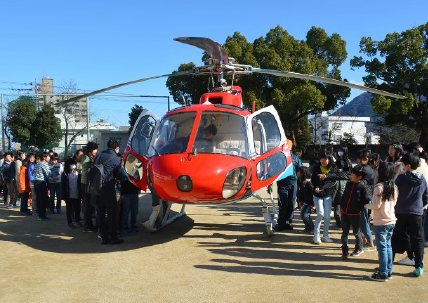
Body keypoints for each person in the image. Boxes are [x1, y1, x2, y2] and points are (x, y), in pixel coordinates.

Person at [392, 152, 427, 277]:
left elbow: (394, 193)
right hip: (417, 213)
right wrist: (418, 206)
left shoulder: (401, 178)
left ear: (407, 165)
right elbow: (426, 197)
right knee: (418, 240)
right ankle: (419, 266)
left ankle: (388, 265)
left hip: (400, 212)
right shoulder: (422, 179)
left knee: (395, 237)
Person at [365, 161, 398, 281]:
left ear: (381, 172)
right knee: (388, 247)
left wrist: (366, 206)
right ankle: (388, 271)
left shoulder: (379, 187)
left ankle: (383, 273)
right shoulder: (394, 186)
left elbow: (376, 205)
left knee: (382, 248)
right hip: (391, 221)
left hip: (381, 222)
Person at [95, 139, 124, 244]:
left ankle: (104, 238)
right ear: (117, 148)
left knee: (101, 214)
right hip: (109, 189)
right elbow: (120, 175)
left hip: (97, 189)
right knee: (112, 215)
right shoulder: (116, 159)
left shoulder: (98, 156)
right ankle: (113, 237)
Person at [340, 166, 370, 260]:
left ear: (359, 177)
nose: (351, 175)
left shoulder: (362, 187)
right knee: (344, 232)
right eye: (351, 173)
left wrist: (358, 208)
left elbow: (366, 200)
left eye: (353, 174)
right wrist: (342, 205)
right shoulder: (348, 184)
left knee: (356, 233)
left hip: (355, 214)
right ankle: (345, 250)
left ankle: (358, 248)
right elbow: (344, 195)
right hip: (344, 213)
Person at [319, 145, 352, 228]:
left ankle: (343, 223)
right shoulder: (336, 162)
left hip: (343, 189)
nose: (339, 153)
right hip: (337, 190)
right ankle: (340, 224)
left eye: (341, 151)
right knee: (337, 209)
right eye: (339, 151)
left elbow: (349, 175)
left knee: (342, 209)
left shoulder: (347, 162)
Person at [275, 139, 302, 231]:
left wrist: (300, 181)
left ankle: (288, 222)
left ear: (291, 147)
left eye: (288, 146)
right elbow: (273, 169)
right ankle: (281, 223)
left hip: (293, 183)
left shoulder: (295, 158)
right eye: (285, 146)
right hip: (282, 183)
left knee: (291, 203)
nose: (287, 147)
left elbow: (301, 170)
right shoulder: (278, 158)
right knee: (283, 203)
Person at [311, 152, 336, 244]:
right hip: (317, 195)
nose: (323, 161)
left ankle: (325, 235)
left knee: (327, 216)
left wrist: (322, 188)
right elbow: (313, 181)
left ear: (329, 160)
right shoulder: (316, 168)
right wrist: (316, 187)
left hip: (327, 195)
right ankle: (316, 236)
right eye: (321, 158)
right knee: (320, 214)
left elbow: (333, 182)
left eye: (325, 159)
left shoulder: (332, 169)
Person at [356, 148, 376, 251]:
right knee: (363, 221)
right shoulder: (368, 168)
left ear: (366, 159)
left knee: (364, 221)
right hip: (366, 198)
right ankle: (365, 240)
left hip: (364, 198)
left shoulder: (364, 170)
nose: (358, 161)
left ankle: (370, 243)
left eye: (360, 159)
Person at [81, 142, 98, 232]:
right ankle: (87, 226)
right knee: (88, 205)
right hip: (86, 184)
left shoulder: (88, 157)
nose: (96, 151)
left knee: (90, 206)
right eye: (95, 149)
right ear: (91, 150)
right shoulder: (86, 158)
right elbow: (85, 172)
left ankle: (89, 224)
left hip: (87, 184)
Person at [61, 158, 82, 229]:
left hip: (77, 194)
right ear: (68, 165)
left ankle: (77, 221)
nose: (73, 165)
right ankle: (69, 222)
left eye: (74, 164)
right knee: (69, 209)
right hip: (68, 195)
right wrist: (64, 196)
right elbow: (63, 186)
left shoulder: (78, 172)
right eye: (72, 164)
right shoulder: (65, 174)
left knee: (77, 208)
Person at [32, 152, 51, 221]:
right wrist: (53, 178)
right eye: (48, 156)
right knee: (43, 199)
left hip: (36, 182)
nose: (49, 158)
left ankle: (40, 215)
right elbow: (48, 174)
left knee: (39, 199)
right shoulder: (44, 164)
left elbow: (33, 172)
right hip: (41, 182)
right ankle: (42, 216)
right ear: (44, 158)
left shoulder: (37, 164)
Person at [296, 166, 314, 232]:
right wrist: (301, 200)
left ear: (302, 173)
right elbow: (302, 193)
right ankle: (307, 228)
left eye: (298, 172)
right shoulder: (301, 181)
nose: (297, 173)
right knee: (302, 214)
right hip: (306, 201)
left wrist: (313, 205)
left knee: (306, 215)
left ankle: (313, 229)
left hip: (311, 202)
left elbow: (312, 194)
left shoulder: (309, 183)